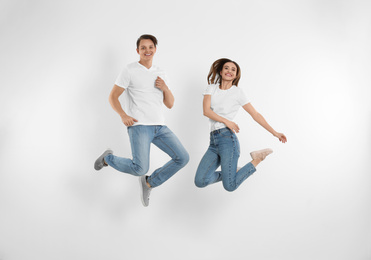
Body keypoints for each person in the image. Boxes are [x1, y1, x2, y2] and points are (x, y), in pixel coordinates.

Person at [94, 34, 189, 207]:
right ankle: (108, 159)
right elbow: (113, 97)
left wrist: (165, 88)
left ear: (155, 49)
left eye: (150, 47)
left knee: (182, 157)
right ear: (137, 51)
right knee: (140, 168)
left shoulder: (161, 73)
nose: (147, 51)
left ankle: (149, 183)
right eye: (143, 48)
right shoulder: (129, 70)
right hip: (139, 126)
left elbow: (170, 104)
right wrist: (123, 115)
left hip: (159, 126)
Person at [195, 58, 287, 192]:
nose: (229, 71)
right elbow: (206, 111)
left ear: (236, 75)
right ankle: (232, 173)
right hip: (213, 142)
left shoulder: (237, 92)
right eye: (226, 68)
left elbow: (255, 114)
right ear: (221, 71)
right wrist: (226, 121)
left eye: (233, 70)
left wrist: (275, 132)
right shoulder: (211, 88)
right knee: (200, 181)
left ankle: (257, 159)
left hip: (227, 140)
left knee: (230, 186)